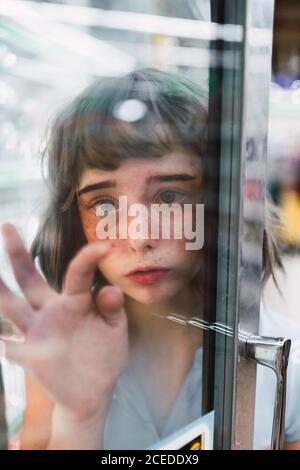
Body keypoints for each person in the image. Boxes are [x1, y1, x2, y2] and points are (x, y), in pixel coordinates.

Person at [0, 68, 299, 450]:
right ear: (73, 220)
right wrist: (79, 420)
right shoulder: (64, 349)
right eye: (104, 204)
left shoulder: (284, 356)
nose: (140, 238)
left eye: (169, 197)